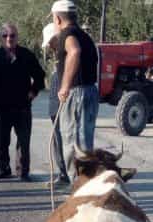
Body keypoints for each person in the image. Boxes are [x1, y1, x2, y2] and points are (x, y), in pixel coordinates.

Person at [0, 23, 46, 182]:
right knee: (1, 141)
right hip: (2, 107)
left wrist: (34, 91)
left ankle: (23, 171)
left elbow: (39, 75)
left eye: (12, 35)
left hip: (22, 106)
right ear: (0, 38)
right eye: (5, 35)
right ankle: (3, 169)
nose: (9, 38)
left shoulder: (26, 54)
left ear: (17, 37)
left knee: (24, 141)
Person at [50, 0, 100, 181]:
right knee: (85, 144)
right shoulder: (85, 35)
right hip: (90, 91)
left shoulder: (67, 34)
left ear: (57, 18)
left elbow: (74, 52)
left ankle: (78, 187)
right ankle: (86, 184)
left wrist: (64, 87)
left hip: (76, 94)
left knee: (72, 144)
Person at [41, 23, 70, 188]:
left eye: (51, 42)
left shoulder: (67, 56)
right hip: (54, 105)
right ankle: (63, 174)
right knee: (57, 140)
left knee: (65, 141)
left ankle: (67, 175)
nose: (50, 46)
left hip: (61, 105)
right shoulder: (59, 56)